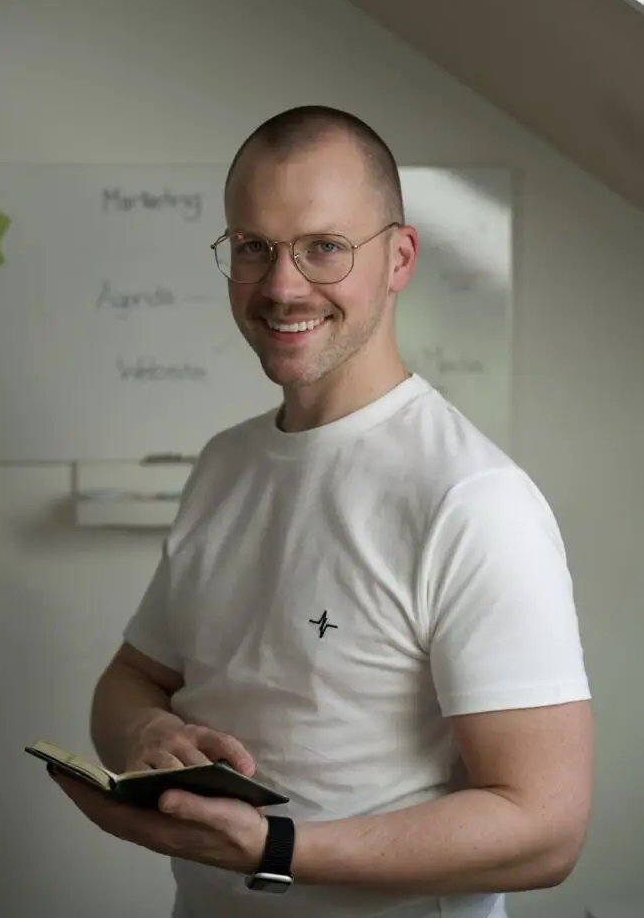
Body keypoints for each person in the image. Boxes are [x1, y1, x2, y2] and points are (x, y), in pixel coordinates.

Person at [51, 106, 593, 918]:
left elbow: (545, 830)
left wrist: (277, 851)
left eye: (324, 248)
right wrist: (143, 738)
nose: (280, 285)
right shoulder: (225, 464)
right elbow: (134, 678)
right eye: (253, 248)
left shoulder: (473, 501)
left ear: (399, 257)